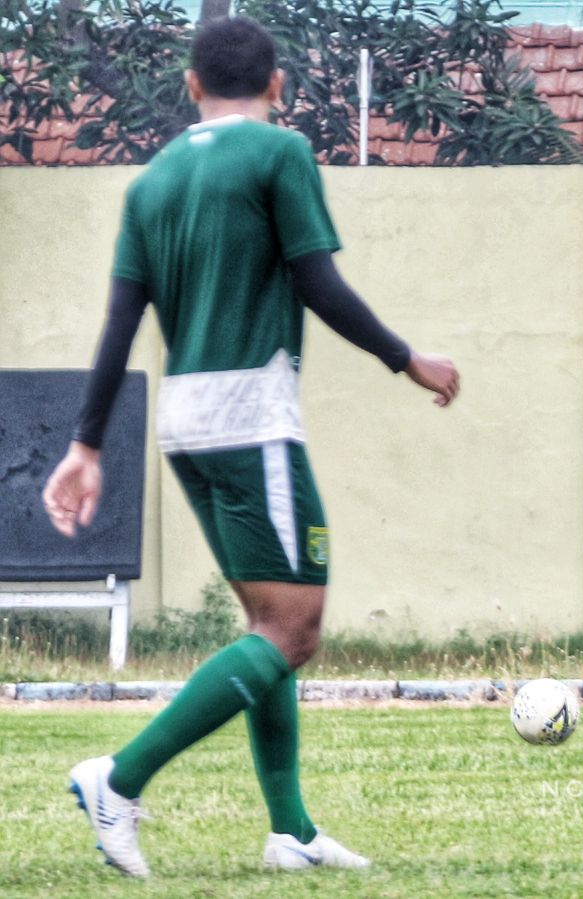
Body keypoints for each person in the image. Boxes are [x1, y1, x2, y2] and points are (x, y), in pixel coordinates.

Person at [42, 16, 460, 877]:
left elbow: (122, 320)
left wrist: (86, 444)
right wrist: (406, 358)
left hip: (184, 427)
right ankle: (119, 777)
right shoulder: (281, 154)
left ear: (191, 87)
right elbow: (318, 280)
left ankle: (291, 832)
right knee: (295, 630)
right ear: (277, 87)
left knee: (267, 625)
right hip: (252, 418)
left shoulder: (151, 182)